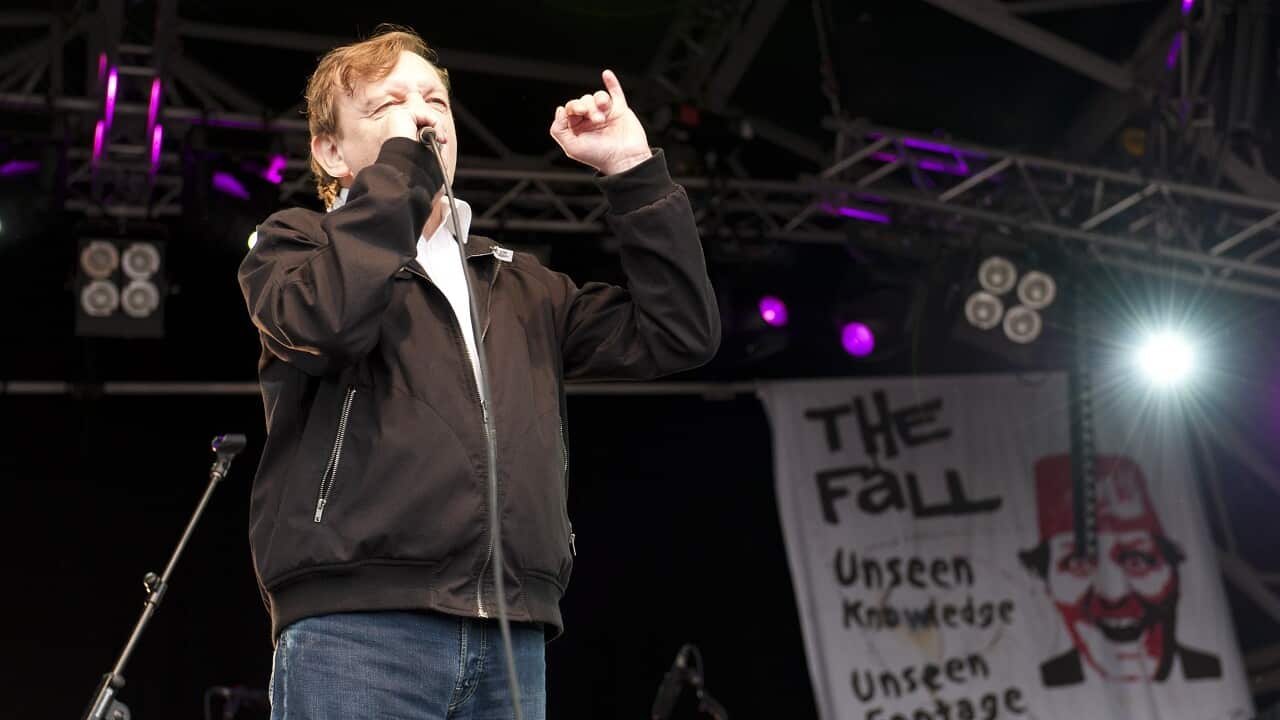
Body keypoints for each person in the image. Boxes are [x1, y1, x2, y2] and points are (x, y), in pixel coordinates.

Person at [237, 26, 719, 720]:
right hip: (360, 627)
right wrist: (403, 169)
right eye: (388, 106)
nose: (423, 114)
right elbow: (327, 321)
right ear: (331, 151)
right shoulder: (293, 247)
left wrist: (632, 169)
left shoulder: (520, 283)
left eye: (435, 99)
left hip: (511, 630)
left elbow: (680, 332)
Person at [1018, 454, 1221, 688]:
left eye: (1137, 561)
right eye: (1078, 565)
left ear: (1173, 573)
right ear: (1046, 584)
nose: (1114, 597)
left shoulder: (1214, 677)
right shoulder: (1041, 687)